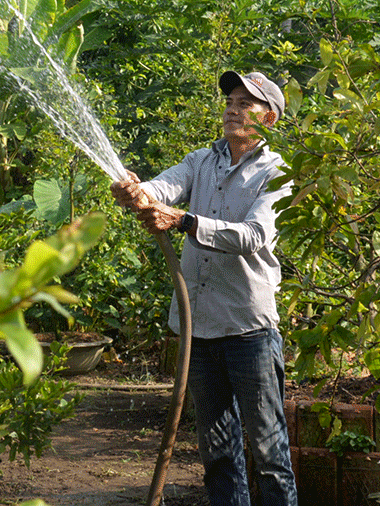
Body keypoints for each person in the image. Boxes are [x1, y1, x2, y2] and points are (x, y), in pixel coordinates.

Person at [111, 70, 297, 506]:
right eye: (231, 101)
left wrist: (184, 221)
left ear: (268, 119)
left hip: (248, 329)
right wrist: (137, 192)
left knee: (269, 452)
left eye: (245, 104)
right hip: (200, 332)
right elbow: (163, 188)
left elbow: (253, 236)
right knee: (217, 452)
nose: (233, 110)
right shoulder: (201, 160)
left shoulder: (277, 173)